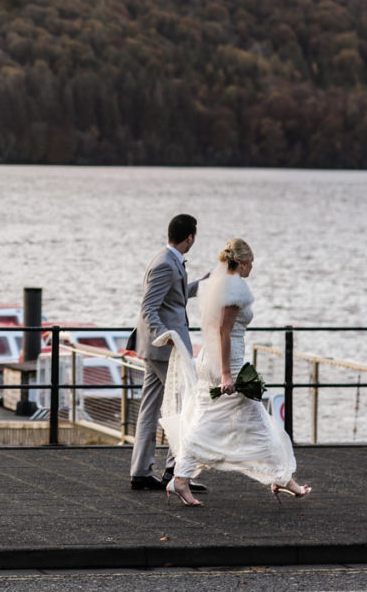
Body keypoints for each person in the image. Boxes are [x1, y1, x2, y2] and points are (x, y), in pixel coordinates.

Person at [157, 238, 310, 507]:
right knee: (256, 421)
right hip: (228, 363)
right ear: (242, 262)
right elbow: (224, 331)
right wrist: (227, 374)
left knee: (208, 420)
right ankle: (281, 477)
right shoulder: (235, 287)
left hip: (208, 360)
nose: (252, 267)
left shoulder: (214, 283)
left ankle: (181, 478)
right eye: (251, 263)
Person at [129, 214, 207, 492]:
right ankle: (174, 473)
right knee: (184, 405)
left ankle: (140, 472)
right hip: (164, 349)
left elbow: (175, 296)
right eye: (194, 237)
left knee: (150, 408)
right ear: (189, 237)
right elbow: (149, 307)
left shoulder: (168, 259)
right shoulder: (165, 263)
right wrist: (166, 336)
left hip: (155, 348)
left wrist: (200, 285)